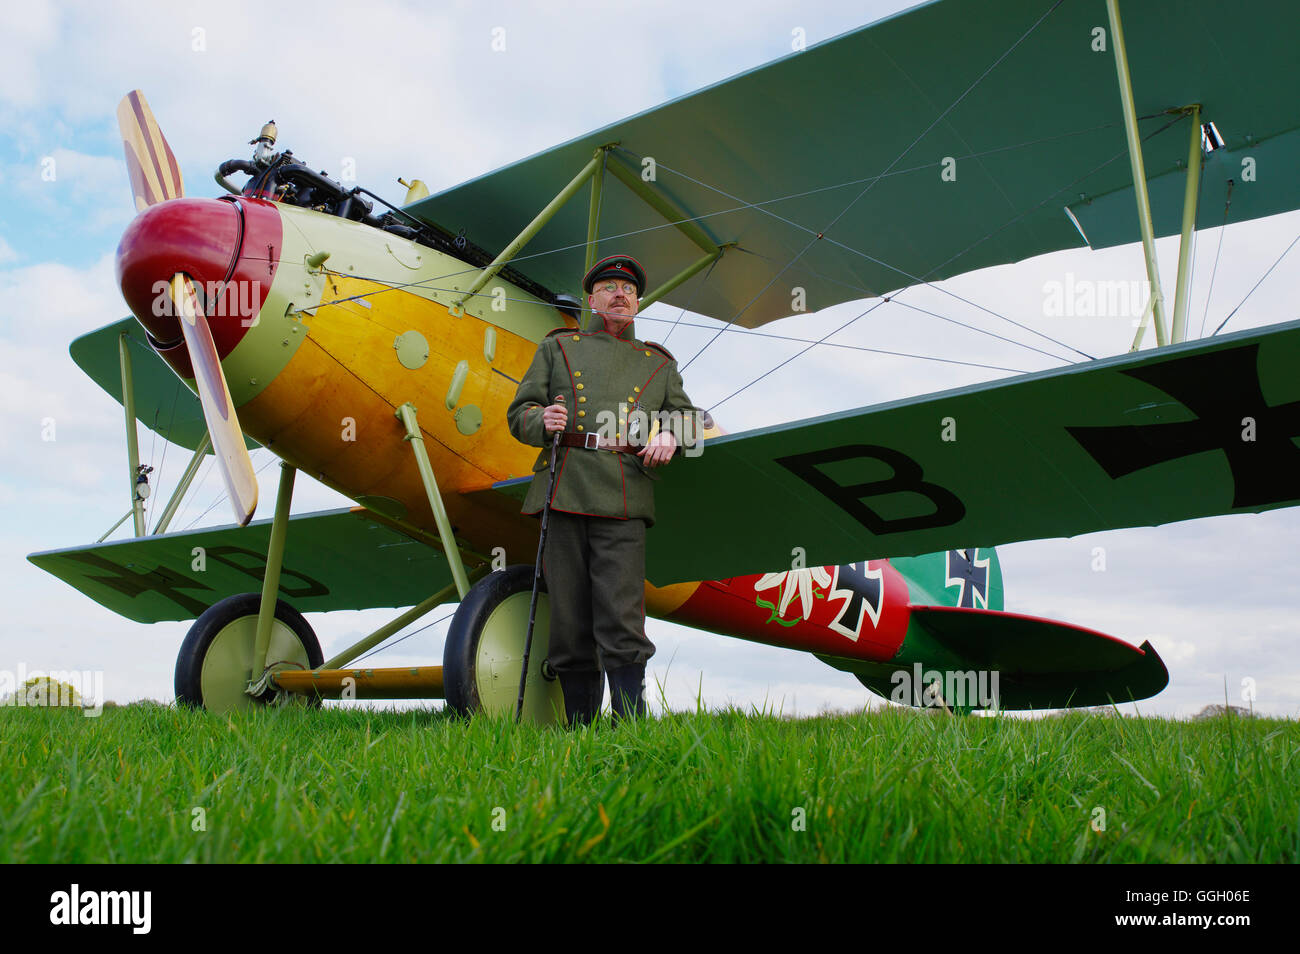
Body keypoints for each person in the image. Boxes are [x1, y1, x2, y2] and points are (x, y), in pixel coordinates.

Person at [507, 254, 700, 726]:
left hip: (623, 495)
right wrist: (540, 420)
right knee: (569, 617)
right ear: (591, 299)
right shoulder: (559, 348)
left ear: (637, 303)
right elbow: (520, 412)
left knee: (620, 614)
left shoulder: (657, 363)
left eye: (629, 290)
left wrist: (670, 434)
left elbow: (692, 420)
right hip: (564, 488)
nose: (620, 294)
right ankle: (579, 727)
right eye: (610, 287)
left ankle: (630, 724)